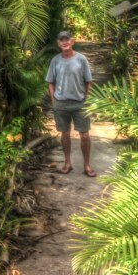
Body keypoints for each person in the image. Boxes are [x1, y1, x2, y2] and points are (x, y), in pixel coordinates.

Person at [45, 30, 96, 176]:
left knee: (84, 135)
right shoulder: (55, 60)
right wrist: (54, 100)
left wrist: (87, 99)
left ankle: (87, 165)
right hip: (61, 103)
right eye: (62, 40)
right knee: (65, 134)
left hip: (80, 103)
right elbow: (50, 82)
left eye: (67, 39)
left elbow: (88, 81)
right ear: (58, 43)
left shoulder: (81, 59)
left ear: (72, 42)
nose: (64, 42)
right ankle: (67, 163)